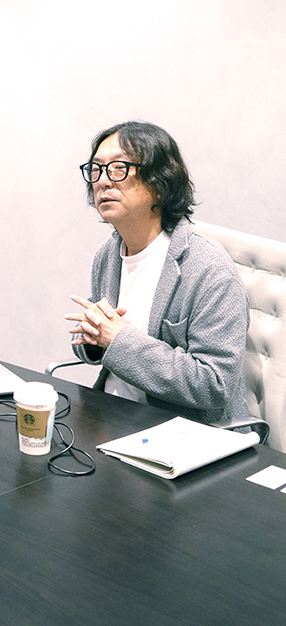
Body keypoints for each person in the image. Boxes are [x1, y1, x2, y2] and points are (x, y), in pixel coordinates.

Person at [65, 121, 249, 424]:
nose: (103, 182)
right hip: (111, 412)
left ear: (160, 183)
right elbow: (107, 343)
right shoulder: (107, 255)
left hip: (177, 430)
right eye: (96, 170)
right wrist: (93, 339)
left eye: (118, 168)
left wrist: (118, 339)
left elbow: (214, 384)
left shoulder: (210, 270)